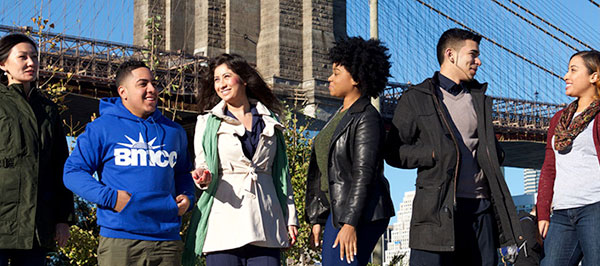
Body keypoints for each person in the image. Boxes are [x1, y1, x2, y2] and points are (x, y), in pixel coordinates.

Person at [385, 28, 524, 266]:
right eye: (473, 54)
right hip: (437, 213)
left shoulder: (479, 99)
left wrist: (495, 152)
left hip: (481, 210)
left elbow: (486, 146)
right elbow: (393, 152)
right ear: (450, 54)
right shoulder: (416, 98)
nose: (478, 61)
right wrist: (431, 154)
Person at [63, 60, 195, 266]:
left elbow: (183, 173)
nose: (152, 89)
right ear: (123, 92)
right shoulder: (101, 128)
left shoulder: (174, 132)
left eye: (153, 83)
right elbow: (72, 172)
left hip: (167, 240)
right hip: (120, 240)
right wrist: (111, 197)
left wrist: (187, 198)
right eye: (143, 84)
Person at [182, 53, 298, 266]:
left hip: (266, 221)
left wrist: (290, 217)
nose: (221, 84)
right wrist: (202, 177)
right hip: (225, 220)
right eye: (217, 79)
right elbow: (203, 165)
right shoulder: (207, 122)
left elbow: (281, 174)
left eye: (227, 76)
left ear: (244, 79)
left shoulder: (270, 120)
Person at [305, 37, 395, 266]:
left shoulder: (367, 117)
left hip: (358, 214)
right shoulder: (340, 116)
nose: (329, 78)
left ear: (355, 78)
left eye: (336, 73)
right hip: (339, 212)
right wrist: (317, 218)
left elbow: (363, 174)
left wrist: (350, 224)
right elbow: (325, 173)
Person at [0, 33, 74, 266]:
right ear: (3, 64)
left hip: (36, 223)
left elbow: (60, 166)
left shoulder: (48, 110)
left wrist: (63, 219)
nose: (31, 63)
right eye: (23, 57)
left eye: (35, 57)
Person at [537, 50, 600, 266]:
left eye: (573, 70)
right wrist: (543, 212)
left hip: (595, 207)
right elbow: (549, 168)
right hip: (563, 213)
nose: (565, 76)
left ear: (594, 76)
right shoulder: (559, 120)